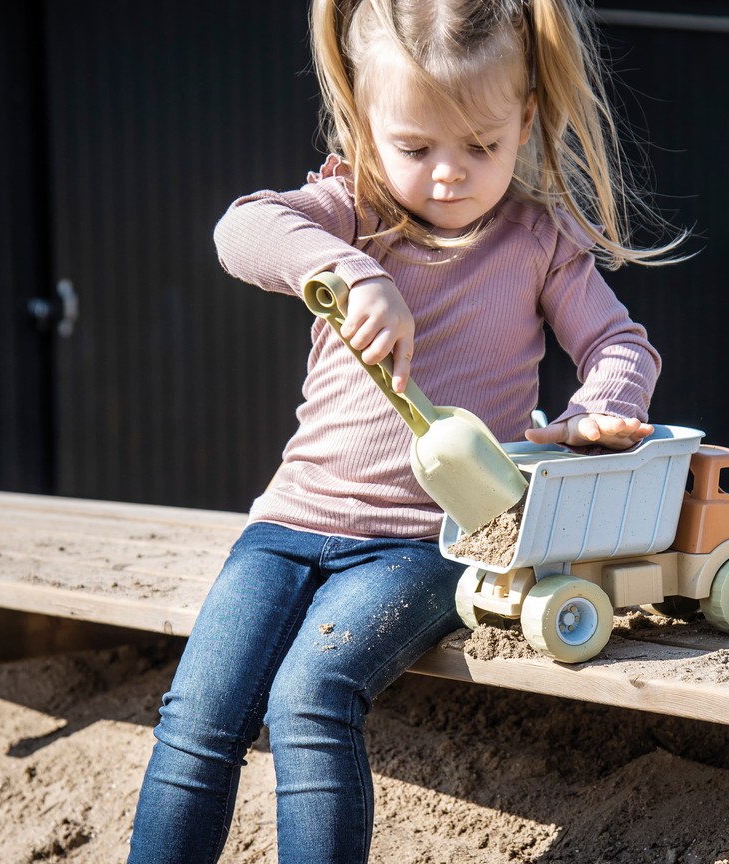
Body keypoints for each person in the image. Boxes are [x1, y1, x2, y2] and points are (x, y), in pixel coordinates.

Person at [128, 1, 686, 861]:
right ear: (363, 119)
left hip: (433, 540)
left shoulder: (539, 239)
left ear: (526, 119)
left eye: (482, 146)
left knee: (311, 696)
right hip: (288, 525)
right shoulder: (352, 210)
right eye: (416, 148)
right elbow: (238, 228)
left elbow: (618, 342)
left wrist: (596, 405)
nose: (449, 175)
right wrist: (347, 271)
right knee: (198, 716)